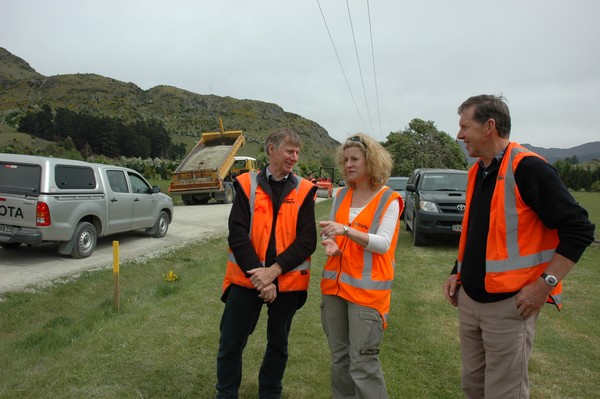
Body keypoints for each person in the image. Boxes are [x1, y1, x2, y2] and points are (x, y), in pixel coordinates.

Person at [443, 95, 595, 398]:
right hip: (470, 300)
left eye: (464, 126)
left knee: (504, 392)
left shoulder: (528, 168)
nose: (459, 135)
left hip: (510, 306)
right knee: (473, 386)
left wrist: (545, 285)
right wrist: (456, 271)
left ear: (489, 126)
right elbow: (481, 233)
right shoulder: (478, 170)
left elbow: (579, 229)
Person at [216, 128, 318, 398]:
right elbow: (237, 234)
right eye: (289, 151)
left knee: (278, 345)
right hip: (246, 280)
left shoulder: (306, 190)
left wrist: (273, 272)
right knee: (231, 343)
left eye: (297, 152)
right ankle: (226, 393)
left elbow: (308, 241)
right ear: (271, 149)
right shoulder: (245, 184)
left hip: (287, 282)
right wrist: (259, 277)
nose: (294, 157)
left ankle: (270, 392)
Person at [319, 133, 403, 398]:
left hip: (367, 297)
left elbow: (383, 243)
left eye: (355, 159)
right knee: (340, 360)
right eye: (345, 160)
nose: (348, 165)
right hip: (335, 291)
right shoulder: (341, 194)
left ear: (372, 161)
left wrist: (345, 230)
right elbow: (334, 234)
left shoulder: (389, 199)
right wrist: (331, 242)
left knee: (363, 365)